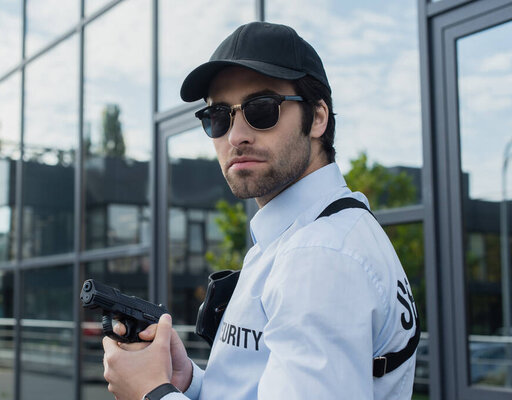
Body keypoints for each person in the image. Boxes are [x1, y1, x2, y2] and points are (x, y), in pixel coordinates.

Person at [102, 21, 419, 400]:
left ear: (318, 117)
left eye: (262, 109)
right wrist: (188, 381)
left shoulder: (318, 256)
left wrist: (151, 393)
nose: (236, 136)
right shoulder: (308, 234)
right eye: (218, 117)